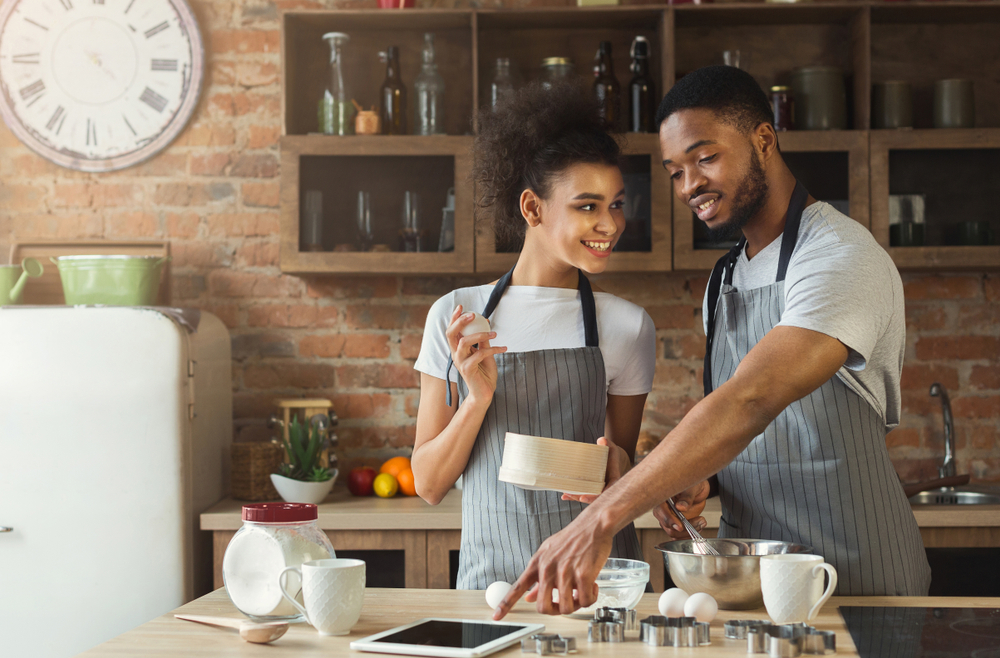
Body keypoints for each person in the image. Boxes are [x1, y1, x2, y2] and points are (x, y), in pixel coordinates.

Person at [493, 66, 931, 618]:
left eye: (705, 158)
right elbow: (755, 436)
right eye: (675, 172)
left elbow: (752, 398)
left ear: (764, 139)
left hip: (855, 581)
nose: (689, 185)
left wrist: (599, 519)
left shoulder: (840, 257)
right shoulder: (725, 281)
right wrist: (701, 479)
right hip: (749, 581)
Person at [411, 82, 657, 589]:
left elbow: (619, 470)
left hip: (596, 581)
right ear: (532, 209)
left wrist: (622, 465)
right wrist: (475, 401)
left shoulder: (628, 327)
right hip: (491, 585)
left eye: (616, 204)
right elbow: (430, 485)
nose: (609, 224)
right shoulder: (456, 318)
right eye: (587, 206)